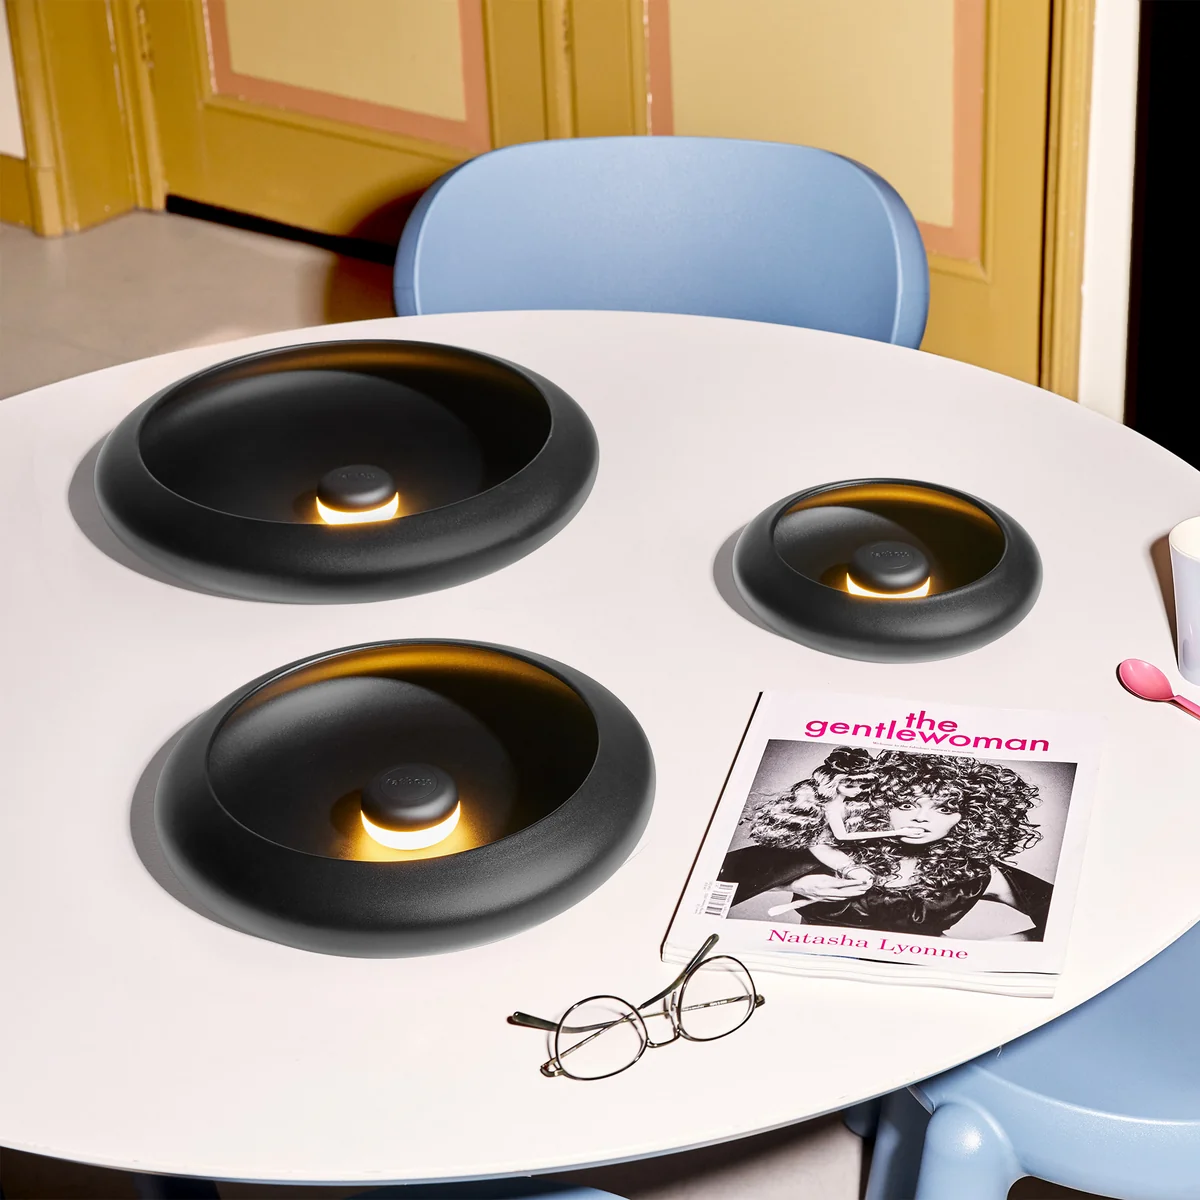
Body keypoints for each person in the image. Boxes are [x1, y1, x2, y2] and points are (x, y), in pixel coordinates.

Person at [720, 747, 1054, 939]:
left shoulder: (977, 872)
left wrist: (980, 954)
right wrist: (793, 885)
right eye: (906, 804)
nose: (921, 818)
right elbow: (711, 884)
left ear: (967, 817)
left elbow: (1068, 921)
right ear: (881, 803)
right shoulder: (828, 851)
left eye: (944, 808)